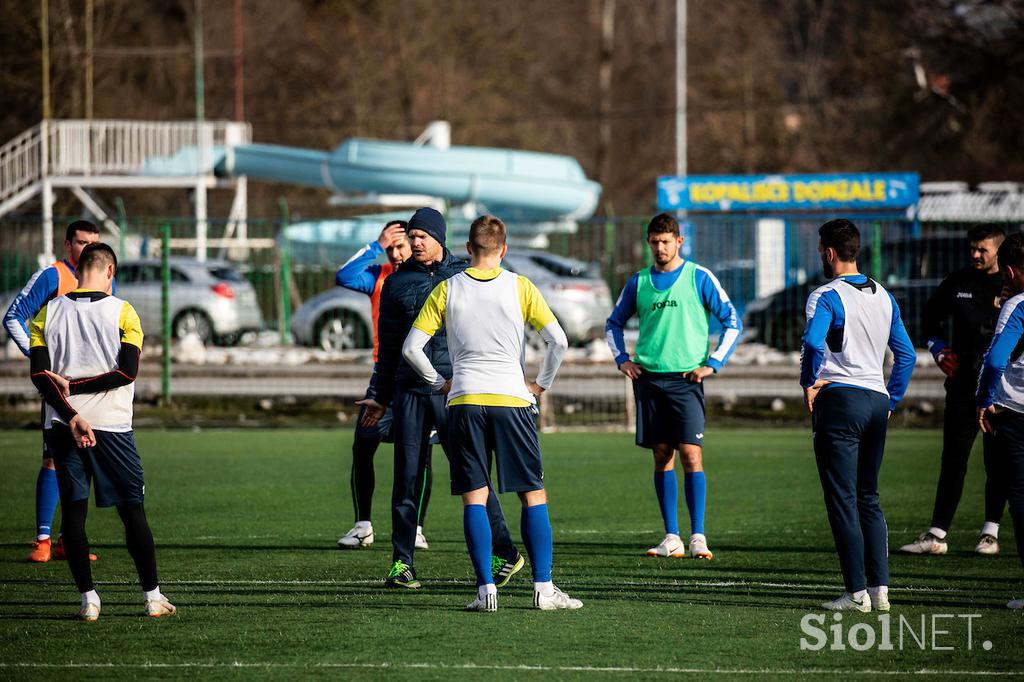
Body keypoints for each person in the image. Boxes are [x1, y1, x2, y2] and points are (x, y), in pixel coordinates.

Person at [402, 214, 579, 611]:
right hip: (512, 400)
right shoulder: (520, 286)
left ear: (467, 249)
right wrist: (541, 385)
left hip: (464, 401)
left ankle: (486, 591)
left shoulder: (447, 289)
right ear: (504, 249)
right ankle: (543, 590)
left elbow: (411, 349)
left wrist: (440, 383)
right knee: (533, 495)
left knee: (475, 498)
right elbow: (559, 341)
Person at [358, 207, 523, 589]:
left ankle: (507, 552)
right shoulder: (396, 285)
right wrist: (381, 397)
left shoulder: (463, 276)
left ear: (439, 239)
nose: (414, 243)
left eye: (421, 237)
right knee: (406, 478)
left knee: (472, 475)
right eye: (411, 237)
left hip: (454, 391)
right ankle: (402, 564)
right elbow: (389, 349)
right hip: (410, 392)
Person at [28, 242, 175, 621]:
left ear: (78, 270)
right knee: (132, 514)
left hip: (63, 426)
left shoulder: (47, 313)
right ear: (110, 271)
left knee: (74, 514)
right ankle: (152, 597)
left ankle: (88, 599)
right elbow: (127, 372)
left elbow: (40, 377)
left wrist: (70, 409)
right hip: (111, 427)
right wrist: (78, 392)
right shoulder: (124, 311)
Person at [605, 212, 742, 560]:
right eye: (654, 242)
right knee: (662, 455)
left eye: (666, 241)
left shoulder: (699, 277)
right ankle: (671, 537)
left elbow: (732, 321)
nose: (660, 248)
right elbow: (613, 323)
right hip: (649, 380)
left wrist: (713, 363)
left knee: (691, 455)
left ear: (679, 242)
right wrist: (622, 358)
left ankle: (698, 536)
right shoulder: (639, 282)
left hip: (686, 380)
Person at [801, 218, 915, 612]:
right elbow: (908, 355)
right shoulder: (884, 295)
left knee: (843, 499)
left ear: (829, 252)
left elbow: (815, 343)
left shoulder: (826, 296)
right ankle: (880, 589)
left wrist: (808, 381)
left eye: (820, 249)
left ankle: (855, 593)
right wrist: (892, 400)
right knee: (869, 496)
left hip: (841, 402)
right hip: (875, 401)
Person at [901, 224, 1008, 556]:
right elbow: (928, 319)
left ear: (999, 252)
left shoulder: (1012, 284)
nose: (976, 255)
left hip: (1003, 388)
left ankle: (990, 533)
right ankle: (936, 534)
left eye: (983, 249)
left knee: (998, 460)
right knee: (954, 458)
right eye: (972, 248)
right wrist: (938, 349)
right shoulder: (958, 281)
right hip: (963, 384)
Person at [4, 220, 102, 563]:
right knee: (53, 458)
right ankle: (43, 538)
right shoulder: (52, 276)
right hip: (57, 384)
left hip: (90, 385)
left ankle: (68, 540)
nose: (87, 248)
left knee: (83, 458)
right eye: (81, 241)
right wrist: (38, 360)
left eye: (93, 242)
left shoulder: (105, 277)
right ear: (67, 244)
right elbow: (13, 317)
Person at [335, 220, 433, 552]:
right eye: (390, 248)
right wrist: (375, 247)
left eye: (400, 245)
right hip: (384, 376)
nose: (395, 253)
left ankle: (417, 528)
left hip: (422, 375)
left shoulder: (428, 278)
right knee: (363, 442)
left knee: (422, 453)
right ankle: (363, 525)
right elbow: (344, 276)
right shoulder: (379, 277)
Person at [976, 231, 1024, 610]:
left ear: (1009, 270)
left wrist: (983, 398)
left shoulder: (1017, 305)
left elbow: (995, 360)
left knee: (1020, 498)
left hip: (1016, 414)